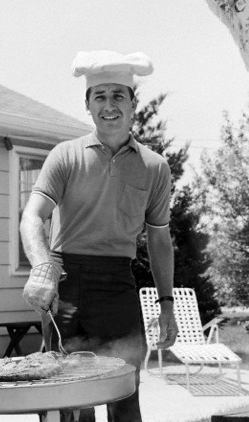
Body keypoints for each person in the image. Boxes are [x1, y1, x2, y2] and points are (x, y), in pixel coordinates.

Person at [20, 50, 179, 422]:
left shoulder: (155, 168)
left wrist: (167, 302)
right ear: (88, 104)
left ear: (132, 103)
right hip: (65, 282)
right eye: (100, 96)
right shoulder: (65, 156)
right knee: (66, 395)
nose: (109, 105)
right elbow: (32, 216)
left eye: (118, 95)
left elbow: (158, 240)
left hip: (117, 284)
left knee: (123, 388)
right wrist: (42, 267)